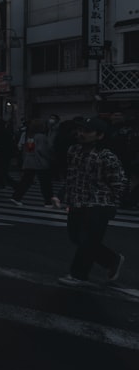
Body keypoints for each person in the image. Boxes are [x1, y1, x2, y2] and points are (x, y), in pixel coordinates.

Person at [58, 118, 127, 287]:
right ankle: (112, 259)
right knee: (76, 237)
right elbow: (72, 175)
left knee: (88, 240)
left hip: (99, 203)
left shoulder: (106, 156)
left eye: (87, 131)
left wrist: (114, 203)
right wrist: (63, 195)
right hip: (77, 201)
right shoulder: (73, 150)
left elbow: (119, 182)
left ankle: (78, 275)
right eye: (80, 130)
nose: (81, 134)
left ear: (100, 135)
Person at [10, 118, 54, 207]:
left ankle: (16, 197)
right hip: (40, 162)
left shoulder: (31, 136)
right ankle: (48, 201)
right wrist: (49, 157)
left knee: (26, 180)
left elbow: (30, 149)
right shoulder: (41, 137)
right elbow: (42, 150)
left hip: (30, 161)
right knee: (45, 182)